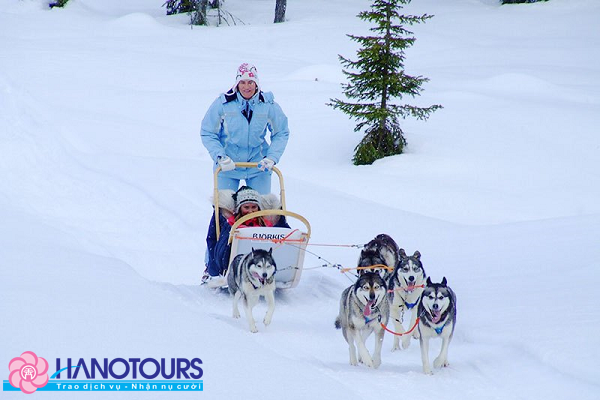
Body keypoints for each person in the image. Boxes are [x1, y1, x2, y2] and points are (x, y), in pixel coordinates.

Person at [200, 63, 290, 194]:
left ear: (257, 84)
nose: (246, 87)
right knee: (224, 208)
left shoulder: (268, 105)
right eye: (242, 82)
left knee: (261, 207)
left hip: (258, 167)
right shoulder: (223, 104)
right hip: (227, 166)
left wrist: (271, 157)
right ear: (237, 84)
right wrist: (220, 156)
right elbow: (208, 132)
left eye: (250, 82)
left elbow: (281, 132)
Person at [203, 186, 290, 283]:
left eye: (254, 207)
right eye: (246, 207)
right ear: (240, 208)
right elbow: (221, 241)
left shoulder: (266, 224)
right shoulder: (232, 223)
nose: (250, 211)